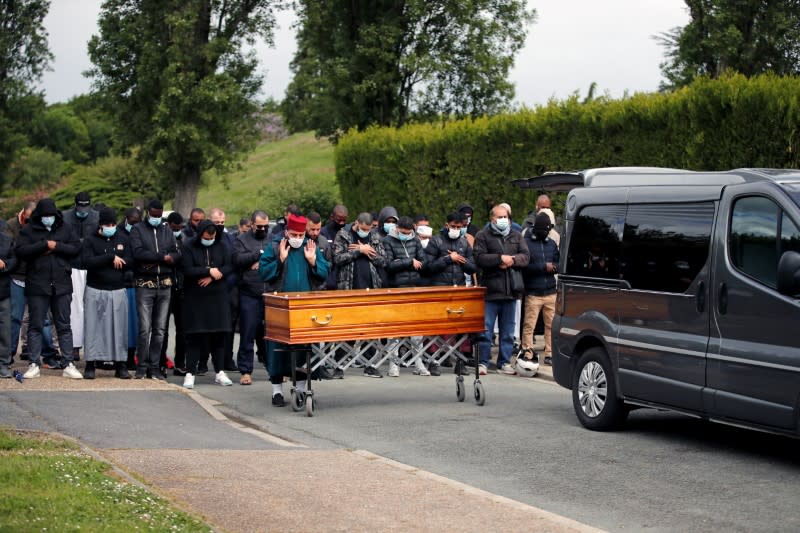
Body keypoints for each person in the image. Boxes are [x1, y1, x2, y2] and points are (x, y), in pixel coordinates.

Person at [259, 213, 329, 406]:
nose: (297, 238)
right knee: (277, 348)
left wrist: (313, 261)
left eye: (300, 234)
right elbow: (264, 273)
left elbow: (324, 273)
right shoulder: (275, 246)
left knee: (302, 348)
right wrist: (280, 260)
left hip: (303, 307)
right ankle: (277, 391)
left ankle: (300, 388)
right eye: (293, 234)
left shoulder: (310, 246)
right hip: (279, 306)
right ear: (286, 231)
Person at [15, 198, 83, 379]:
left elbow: (76, 248)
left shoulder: (65, 228)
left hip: (61, 283)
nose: (48, 218)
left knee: (63, 325)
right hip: (37, 284)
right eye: (45, 215)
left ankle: (68, 363)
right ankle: (33, 363)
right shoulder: (29, 230)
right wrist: (44, 245)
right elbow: (20, 251)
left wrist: (56, 246)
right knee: (35, 325)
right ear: (39, 215)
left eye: (51, 216)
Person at [473, 204, 529, 375]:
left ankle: (504, 362)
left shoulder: (517, 235)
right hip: (490, 291)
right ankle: (483, 362)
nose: (503, 220)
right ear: (492, 219)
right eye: (499, 217)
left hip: (511, 291)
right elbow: (479, 257)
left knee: (508, 330)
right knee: (486, 329)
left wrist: (512, 259)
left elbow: (526, 257)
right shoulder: (483, 235)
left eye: (505, 217)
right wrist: (499, 259)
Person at [129, 199, 180, 380]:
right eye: (154, 215)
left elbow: (176, 254)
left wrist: (164, 259)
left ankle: (155, 366)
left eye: (159, 216)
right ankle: (141, 366)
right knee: (145, 329)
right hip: (145, 284)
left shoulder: (167, 231)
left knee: (160, 330)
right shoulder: (138, 230)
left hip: (165, 285)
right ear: (148, 213)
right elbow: (138, 253)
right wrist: (162, 257)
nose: (157, 218)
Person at [180, 221, 234, 388]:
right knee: (195, 336)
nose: (209, 240)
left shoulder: (222, 245)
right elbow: (187, 269)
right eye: (206, 237)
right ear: (200, 234)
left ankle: (220, 372)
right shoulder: (189, 246)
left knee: (219, 336)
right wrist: (207, 270)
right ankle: (190, 372)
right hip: (196, 298)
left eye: (212, 237)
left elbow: (229, 265)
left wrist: (214, 275)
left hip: (218, 297)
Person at [333, 212, 387, 378]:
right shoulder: (343, 235)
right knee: (346, 328)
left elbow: (383, 260)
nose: (365, 232)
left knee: (369, 329)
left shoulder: (374, 236)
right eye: (363, 229)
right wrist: (358, 252)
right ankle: (339, 365)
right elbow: (337, 258)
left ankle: (370, 365)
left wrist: (368, 251)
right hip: (349, 288)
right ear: (356, 223)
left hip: (371, 288)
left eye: (368, 229)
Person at [81, 208, 132, 379]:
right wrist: (110, 257)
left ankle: (121, 364)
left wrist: (119, 260)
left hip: (117, 288)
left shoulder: (123, 239)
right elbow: (87, 261)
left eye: (112, 224)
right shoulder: (90, 240)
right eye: (107, 224)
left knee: (119, 329)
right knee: (93, 328)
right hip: (95, 288)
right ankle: (90, 364)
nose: (110, 227)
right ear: (100, 225)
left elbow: (130, 260)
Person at [383, 216, 429, 377]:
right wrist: (410, 261)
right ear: (397, 228)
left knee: (417, 329)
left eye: (409, 233)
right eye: (403, 232)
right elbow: (389, 265)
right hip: (396, 288)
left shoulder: (415, 240)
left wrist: (402, 261)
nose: (406, 235)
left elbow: (423, 261)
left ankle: (418, 362)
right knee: (394, 328)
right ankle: (393, 363)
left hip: (414, 287)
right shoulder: (388, 240)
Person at [232, 210, 270, 386]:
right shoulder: (242, 240)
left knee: (271, 335)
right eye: (259, 226)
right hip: (249, 293)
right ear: (252, 225)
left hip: (270, 293)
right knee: (247, 333)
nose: (263, 229)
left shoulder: (273, 238)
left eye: (265, 226)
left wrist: (261, 262)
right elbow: (238, 260)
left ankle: (274, 368)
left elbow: (278, 258)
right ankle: (246, 370)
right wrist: (258, 255)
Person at [62, 191, 99, 361]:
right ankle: (75, 346)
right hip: (74, 266)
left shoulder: (96, 217)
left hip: (92, 266)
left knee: (94, 307)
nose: (83, 209)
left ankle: (94, 347)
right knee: (75, 308)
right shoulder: (65, 217)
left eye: (86, 205)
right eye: (80, 205)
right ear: (75, 204)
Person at [520, 212, 559, 366]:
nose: (546, 233)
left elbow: (559, 261)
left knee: (551, 325)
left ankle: (549, 353)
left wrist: (555, 267)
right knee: (529, 325)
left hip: (550, 290)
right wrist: (544, 267)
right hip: (533, 292)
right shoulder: (527, 243)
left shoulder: (551, 243)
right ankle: (527, 352)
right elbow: (525, 266)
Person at [209, 207, 239, 373]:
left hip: (228, 287)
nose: (219, 225)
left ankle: (227, 359)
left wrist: (228, 279)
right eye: (216, 223)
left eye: (222, 222)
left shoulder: (229, 239)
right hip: (211, 288)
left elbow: (233, 262)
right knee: (211, 326)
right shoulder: (206, 239)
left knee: (229, 327)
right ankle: (204, 361)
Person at [163, 211, 187, 375]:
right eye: (174, 228)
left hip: (181, 289)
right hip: (166, 287)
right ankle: (161, 362)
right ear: (169, 225)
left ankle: (180, 363)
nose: (177, 230)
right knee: (162, 329)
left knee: (182, 329)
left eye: (179, 228)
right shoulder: (163, 238)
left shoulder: (184, 240)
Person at [118, 207, 141, 370]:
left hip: (135, 282)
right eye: (131, 221)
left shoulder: (140, 233)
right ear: (126, 218)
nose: (133, 225)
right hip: (120, 282)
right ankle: (118, 357)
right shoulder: (118, 233)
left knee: (134, 324)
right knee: (119, 323)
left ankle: (131, 356)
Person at [0, 224, 17, 378]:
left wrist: (4, 265)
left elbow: (14, 260)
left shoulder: (7, 240)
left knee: (5, 330)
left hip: (3, 291)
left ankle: (4, 363)